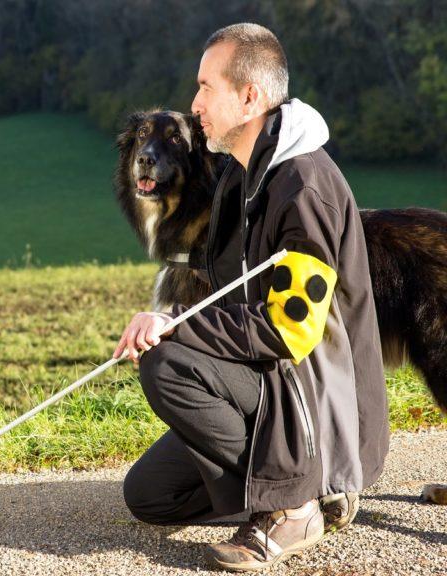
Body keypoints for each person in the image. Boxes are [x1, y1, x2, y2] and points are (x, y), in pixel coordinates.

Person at [112, 23, 390, 572]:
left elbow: (291, 328)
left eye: (205, 87)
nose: (194, 106)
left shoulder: (303, 187)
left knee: (167, 364)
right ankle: (278, 488)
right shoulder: (242, 181)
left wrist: (175, 326)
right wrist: (175, 315)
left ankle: (298, 499)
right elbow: (228, 296)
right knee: (149, 496)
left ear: (249, 97)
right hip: (273, 389)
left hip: (319, 415)